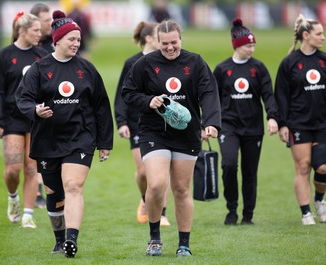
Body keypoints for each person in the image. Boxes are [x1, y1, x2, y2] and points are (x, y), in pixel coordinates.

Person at [15, 10, 113, 257]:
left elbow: (101, 105)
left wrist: (105, 142)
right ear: (57, 40)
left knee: (73, 185)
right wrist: (36, 110)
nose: (76, 43)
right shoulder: (39, 69)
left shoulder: (87, 69)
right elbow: (23, 98)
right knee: (53, 192)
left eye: (78, 40)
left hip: (80, 138)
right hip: (47, 139)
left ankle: (72, 239)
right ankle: (59, 240)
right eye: (71, 39)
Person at [122, 19, 221, 257]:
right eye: (164, 43)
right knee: (156, 185)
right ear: (157, 41)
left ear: (180, 40)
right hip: (153, 132)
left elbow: (208, 92)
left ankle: (184, 243)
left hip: (187, 134)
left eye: (174, 43)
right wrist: (148, 101)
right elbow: (128, 92)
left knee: (181, 190)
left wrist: (211, 123)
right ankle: (154, 238)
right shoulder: (145, 63)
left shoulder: (195, 62)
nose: (169, 48)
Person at [213, 18, 279, 226]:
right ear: (237, 45)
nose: (252, 49)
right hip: (229, 126)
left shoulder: (258, 68)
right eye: (249, 45)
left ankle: (248, 215)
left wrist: (272, 117)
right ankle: (231, 210)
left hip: (253, 128)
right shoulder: (222, 69)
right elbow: (211, 98)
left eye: (253, 45)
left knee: (250, 172)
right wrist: (208, 123)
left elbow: (268, 95)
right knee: (229, 165)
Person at [0, 12, 48, 228]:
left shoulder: (42, 56)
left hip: (35, 118)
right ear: (22, 31)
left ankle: (28, 216)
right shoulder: (5, 56)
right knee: (13, 170)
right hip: (12, 120)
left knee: (32, 168)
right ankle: (13, 198)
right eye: (36, 30)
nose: (40, 34)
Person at [114, 21, 171, 227]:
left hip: (163, 123)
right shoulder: (132, 63)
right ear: (149, 38)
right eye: (160, 37)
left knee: (162, 173)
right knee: (143, 172)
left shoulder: (166, 61)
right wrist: (121, 122)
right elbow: (122, 94)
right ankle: (145, 199)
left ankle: (162, 212)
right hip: (136, 123)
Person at [274, 14, 326, 225]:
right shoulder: (289, 62)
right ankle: (306, 213)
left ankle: (319, 199)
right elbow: (281, 96)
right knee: (303, 167)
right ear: (306, 35)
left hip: (323, 123)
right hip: (298, 123)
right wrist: (282, 124)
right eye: (319, 33)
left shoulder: (323, 60)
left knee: (322, 167)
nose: (322, 37)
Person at [30, 2, 53, 208]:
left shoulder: (55, 43)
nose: (50, 24)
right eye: (46, 21)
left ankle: (44, 188)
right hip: (32, 109)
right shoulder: (31, 45)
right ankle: (36, 191)